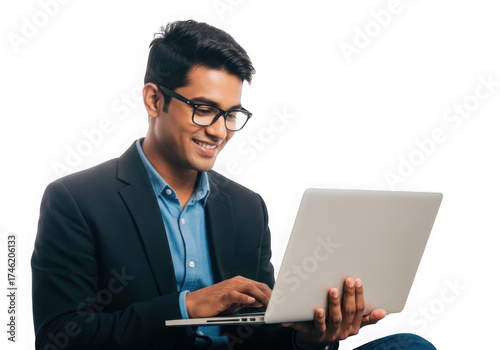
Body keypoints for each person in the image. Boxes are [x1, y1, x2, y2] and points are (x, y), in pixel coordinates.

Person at [31, 20, 436, 350]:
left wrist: (311, 337)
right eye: (205, 110)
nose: (220, 131)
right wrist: (188, 306)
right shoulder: (77, 200)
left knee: (409, 346)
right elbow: (59, 338)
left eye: (231, 114)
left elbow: (264, 336)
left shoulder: (246, 207)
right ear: (155, 100)